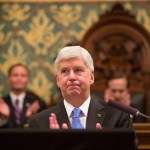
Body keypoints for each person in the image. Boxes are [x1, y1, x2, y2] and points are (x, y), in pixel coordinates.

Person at [28, 46, 134, 131]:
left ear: (91, 77)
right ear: (58, 81)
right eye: (65, 71)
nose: (72, 77)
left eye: (78, 70)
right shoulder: (39, 123)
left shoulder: (118, 116)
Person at [0, 63, 47, 128]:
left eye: (23, 75)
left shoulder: (37, 105)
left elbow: (44, 130)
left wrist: (31, 119)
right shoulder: (1, 104)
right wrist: (3, 118)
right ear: (9, 78)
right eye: (15, 75)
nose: (19, 78)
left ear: (28, 79)